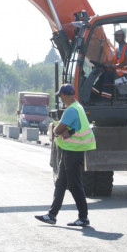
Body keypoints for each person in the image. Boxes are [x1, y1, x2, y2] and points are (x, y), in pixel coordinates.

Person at [35, 84, 97, 227]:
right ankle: (52, 215)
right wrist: (68, 130)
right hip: (71, 151)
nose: (60, 98)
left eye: (60, 95)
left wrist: (61, 129)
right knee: (61, 183)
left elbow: (57, 130)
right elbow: (74, 128)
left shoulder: (70, 110)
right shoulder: (78, 107)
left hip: (73, 152)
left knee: (75, 185)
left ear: (64, 95)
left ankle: (83, 217)